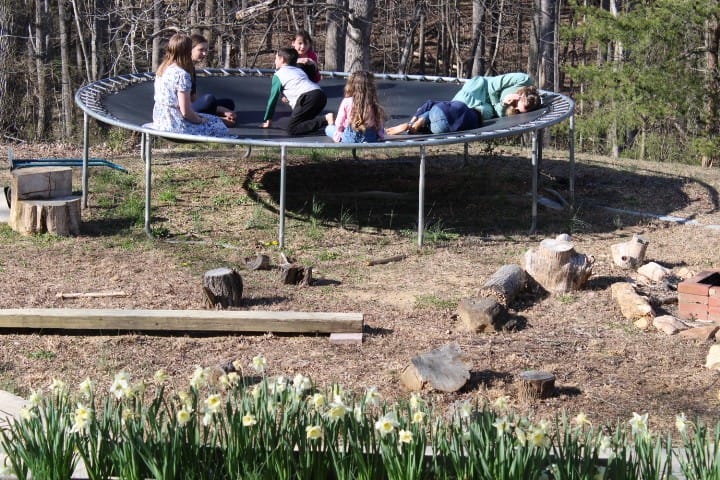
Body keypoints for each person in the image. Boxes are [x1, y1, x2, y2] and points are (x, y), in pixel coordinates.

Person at [152, 32, 231, 137]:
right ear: (188, 51)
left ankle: (216, 116)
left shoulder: (163, 68)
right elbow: (185, 112)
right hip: (174, 124)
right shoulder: (181, 74)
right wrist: (200, 120)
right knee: (218, 125)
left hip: (159, 118)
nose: (204, 53)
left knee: (216, 115)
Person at [261, 46, 328, 136]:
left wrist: (268, 120)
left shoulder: (278, 75)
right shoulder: (298, 70)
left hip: (307, 97)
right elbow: (299, 84)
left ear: (282, 59)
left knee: (292, 129)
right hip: (320, 95)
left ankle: (326, 119)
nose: (275, 61)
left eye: (276, 58)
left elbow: (272, 100)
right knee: (303, 123)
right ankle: (325, 122)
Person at [190, 34, 237, 127]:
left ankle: (210, 112)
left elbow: (193, 97)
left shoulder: (191, 68)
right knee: (209, 99)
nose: (204, 53)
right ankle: (212, 116)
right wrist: (219, 112)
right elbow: (183, 106)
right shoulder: (182, 70)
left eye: (205, 50)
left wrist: (219, 108)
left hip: (191, 106)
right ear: (190, 50)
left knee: (229, 103)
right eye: (201, 50)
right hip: (183, 109)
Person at [325, 71, 385, 143]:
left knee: (329, 128)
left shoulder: (347, 101)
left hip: (350, 137)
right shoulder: (372, 101)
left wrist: (339, 133)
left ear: (351, 85)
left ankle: (330, 122)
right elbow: (379, 122)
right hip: (370, 138)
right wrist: (380, 135)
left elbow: (339, 123)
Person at [451, 72, 541, 120]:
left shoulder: (515, 110)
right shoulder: (523, 80)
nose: (515, 108)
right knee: (460, 104)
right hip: (482, 88)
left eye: (518, 110)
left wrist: (503, 104)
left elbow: (498, 113)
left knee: (480, 114)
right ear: (521, 94)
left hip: (488, 107)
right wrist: (496, 103)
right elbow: (492, 84)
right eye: (517, 103)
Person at [386, 100, 481, 135]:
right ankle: (416, 129)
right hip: (441, 128)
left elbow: (430, 103)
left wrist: (416, 116)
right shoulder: (474, 123)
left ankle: (414, 124)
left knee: (429, 112)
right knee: (430, 128)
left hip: (438, 111)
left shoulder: (462, 104)